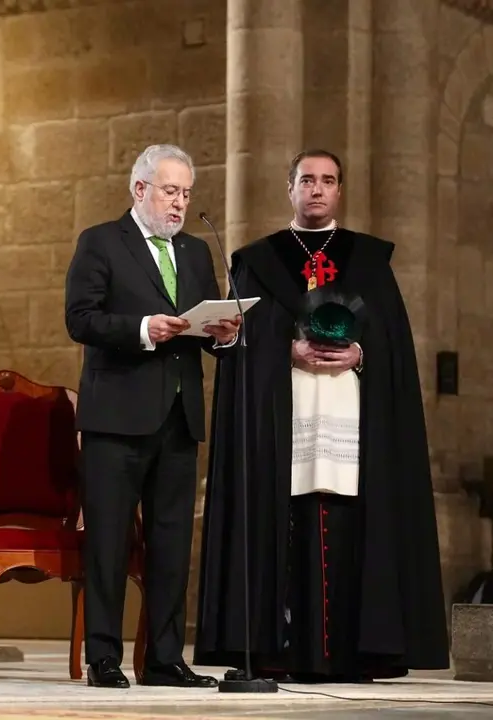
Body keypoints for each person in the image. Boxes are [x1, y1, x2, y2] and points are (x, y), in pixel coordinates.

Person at [194, 149, 449, 682]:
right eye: (306, 179)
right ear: (289, 189)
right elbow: (233, 337)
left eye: (327, 181)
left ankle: (356, 653)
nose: (317, 189)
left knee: (351, 527)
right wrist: (285, 351)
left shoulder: (369, 260)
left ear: (339, 192)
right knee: (286, 527)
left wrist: (363, 354)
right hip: (284, 419)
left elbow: (393, 343)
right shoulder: (257, 260)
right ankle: (278, 649)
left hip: (351, 417)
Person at [65, 144, 240, 689]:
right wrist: (143, 329)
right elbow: (81, 319)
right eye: (170, 190)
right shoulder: (100, 242)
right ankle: (103, 658)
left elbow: (206, 324)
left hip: (179, 417)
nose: (180, 203)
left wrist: (225, 336)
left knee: (170, 546)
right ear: (140, 190)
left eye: (186, 193)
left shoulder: (192, 252)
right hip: (117, 417)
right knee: (110, 544)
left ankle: (164, 659)